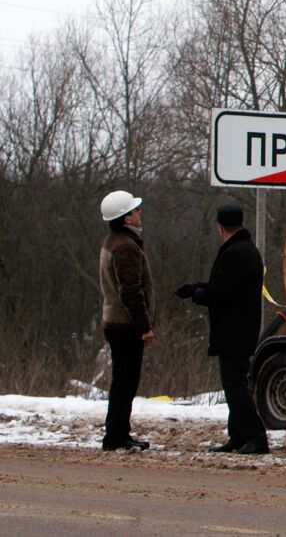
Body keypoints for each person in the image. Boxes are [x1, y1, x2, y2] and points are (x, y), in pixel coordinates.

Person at [176, 204, 269, 454]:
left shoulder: (235, 253)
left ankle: (255, 437)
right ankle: (238, 436)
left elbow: (221, 292)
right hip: (241, 328)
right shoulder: (245, 249)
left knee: (235, 386)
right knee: (234, 384)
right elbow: (226, 284)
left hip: (234, 330)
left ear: (220, 228)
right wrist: (197, 287)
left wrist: (197, 294)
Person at [98, 189, 154, 451]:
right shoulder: (126, 247)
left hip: (115, 321)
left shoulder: (113, 241)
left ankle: (118, 432)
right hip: (125, 325)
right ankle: (117, 435)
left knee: (122, 380)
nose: (139, 212)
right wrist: (144, 327)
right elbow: (131, 291)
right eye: (135, 210)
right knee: (125, 382)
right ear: (126, 218)